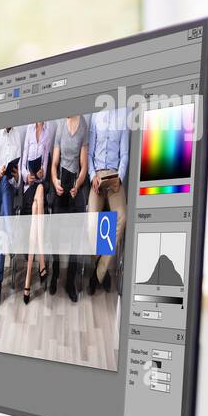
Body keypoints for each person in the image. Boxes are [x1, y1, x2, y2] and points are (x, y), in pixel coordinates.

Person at [86, 108, 129, 295]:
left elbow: (125, 153)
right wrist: (92, 175)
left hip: (114, 176)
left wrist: (119, 177)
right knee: (91, 224)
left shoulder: (125, 114)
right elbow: (89, 153)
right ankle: (101, 271)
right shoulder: (95, 114)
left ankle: (98, 274)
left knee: (122, 218)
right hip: (97, 178)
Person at [49, 114, 90, 301]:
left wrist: (78, 184)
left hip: (75, 184)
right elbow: (54, 164)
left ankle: (70, 280)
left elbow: (84, 166)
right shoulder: (60, 125)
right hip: (61, 184)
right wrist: (55, 180)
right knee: (55, 231)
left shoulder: (84, 126)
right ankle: (55, 272)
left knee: (77, 232)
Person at [0, 124, 25, 309]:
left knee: (2, 225)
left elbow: (18, 181)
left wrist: (17, 175)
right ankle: (12, 236)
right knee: (2, 186)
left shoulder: (18, 135)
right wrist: (0, 174)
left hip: (10, 190)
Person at [20, 120, 54, 305]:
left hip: (41, 184)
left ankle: (27, 279)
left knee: (40, 193)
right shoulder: (28, 128)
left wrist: (41, 173)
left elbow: (46, 166)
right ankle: (41, 261)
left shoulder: (49, 131)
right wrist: (28, 176)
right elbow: (23, 162)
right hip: (28, 187)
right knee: (34, 210)